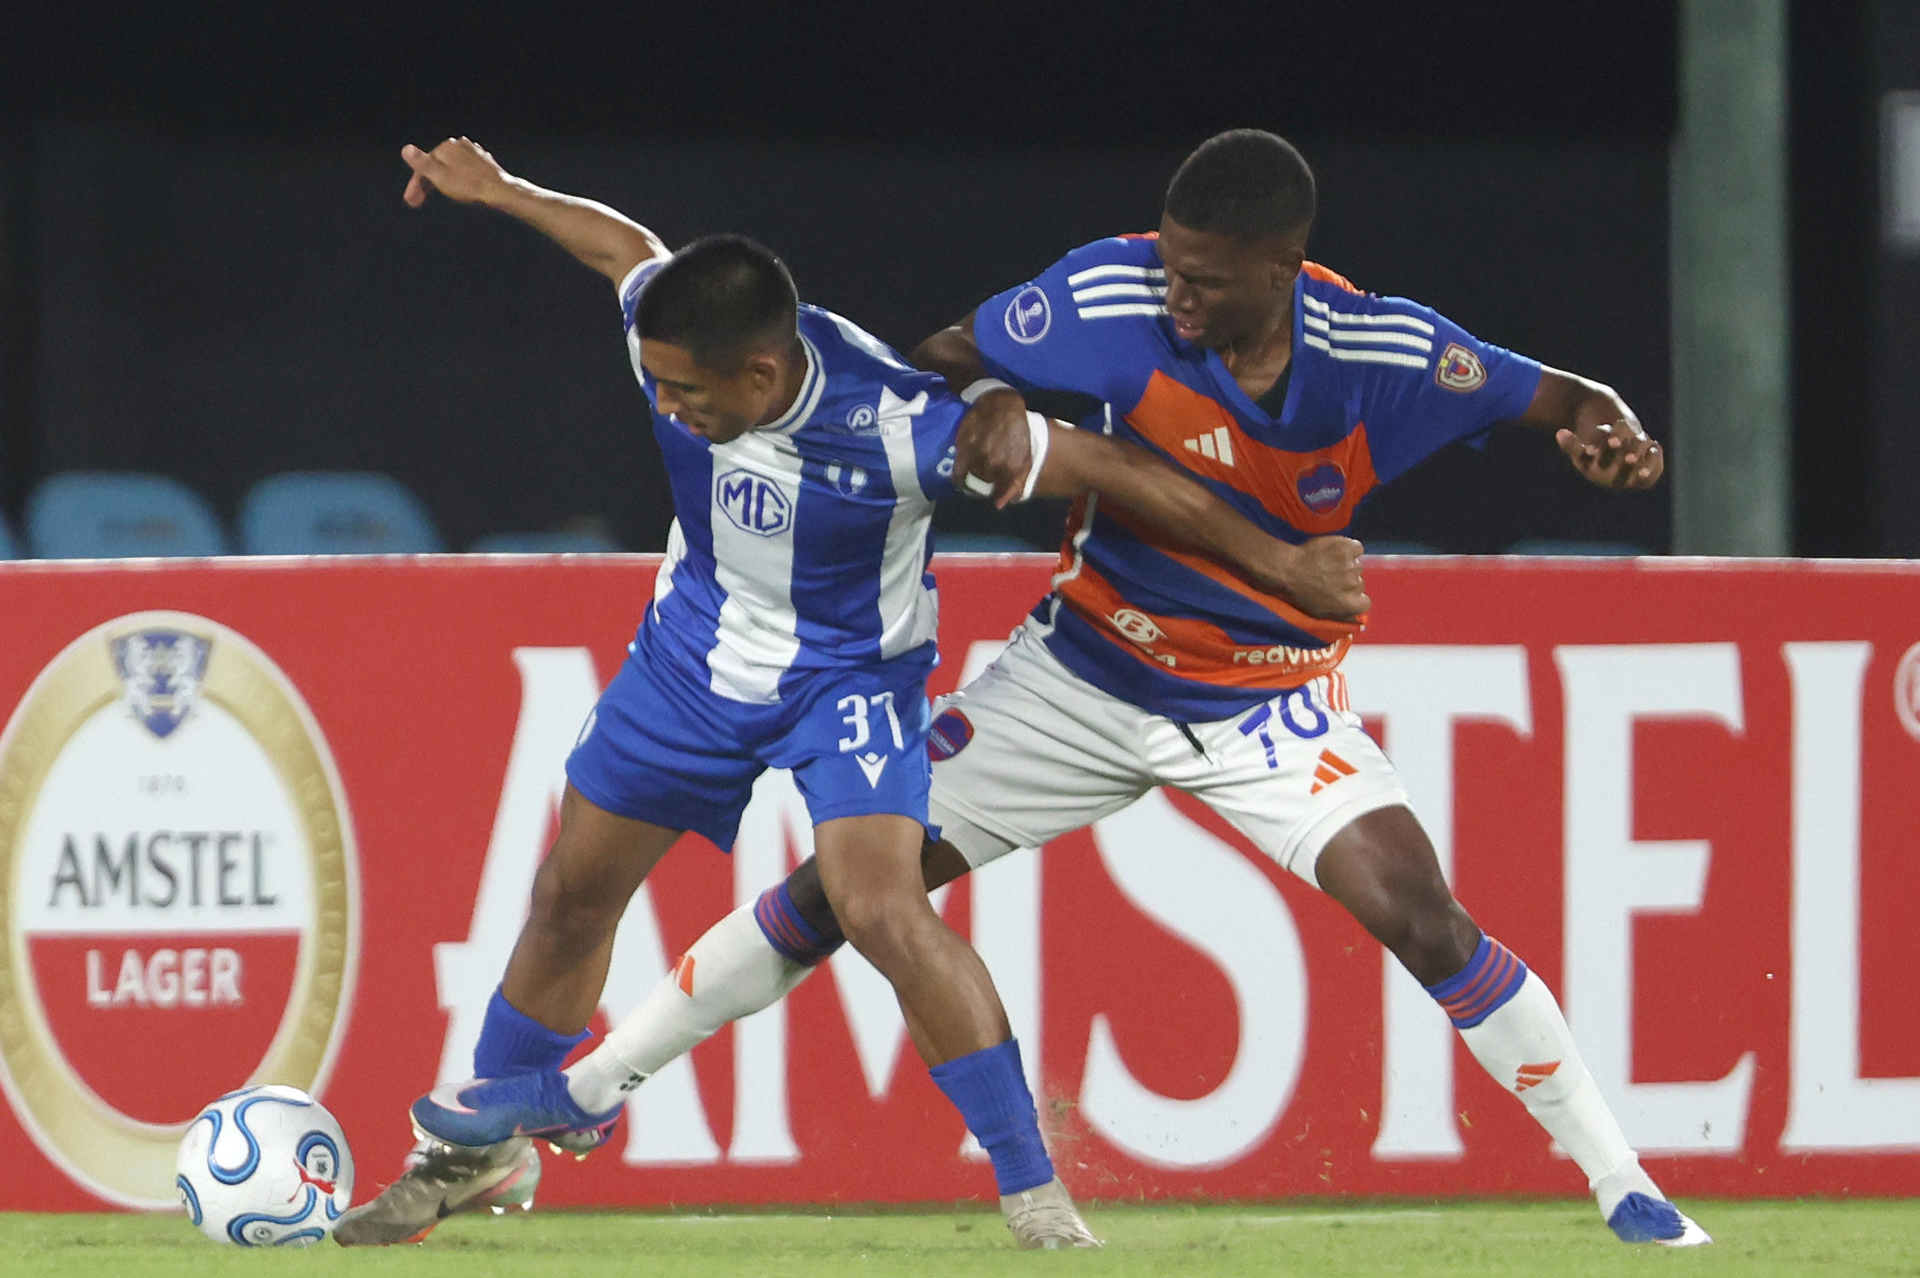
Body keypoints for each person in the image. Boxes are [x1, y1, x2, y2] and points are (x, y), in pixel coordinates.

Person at [400, 128, 1708, 1249]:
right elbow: (953, 353)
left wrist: (1605, 427)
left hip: (1261, 701)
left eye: (1204, 278)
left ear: (1283, 270)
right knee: (854, 893)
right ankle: (588, 1090)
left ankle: (1626, 1184)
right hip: (1078, 678)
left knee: (1421, 914)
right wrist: (987, 399)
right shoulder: (1107, 290)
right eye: (1169, 262)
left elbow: (1560, 395)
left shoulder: (1385, 350)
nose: (1174, 292)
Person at [335, 136, 1366, 1250]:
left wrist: (1281, 562)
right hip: (690, 662)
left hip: (848, 683)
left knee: (880, 908)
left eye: (688, 393)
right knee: (569, 896)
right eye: (660, 382)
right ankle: (473, 1157)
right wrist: (502, 192)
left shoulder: (904, 426)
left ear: (760, 376)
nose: (666, 406)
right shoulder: (671, 334)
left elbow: (1114, 467)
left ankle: (1034, 1195)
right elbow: (625, 249)